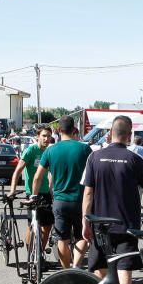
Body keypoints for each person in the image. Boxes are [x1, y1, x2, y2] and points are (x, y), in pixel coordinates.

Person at [82, 116, 143, 284]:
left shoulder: (94, 157)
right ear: (129, 135)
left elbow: (88, 193)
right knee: (124, 267)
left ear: (111, 133)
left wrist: (85, 221)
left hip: (100, 224)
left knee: (100, 265)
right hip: (126, 225)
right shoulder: (136, 160)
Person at [32, 115, 92, 269]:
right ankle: (76, 267)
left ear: (58, 131)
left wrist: (34, 195)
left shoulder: (51, 151)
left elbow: (38, 177)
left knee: (62, 239)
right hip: (81, 200)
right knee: (82, 236)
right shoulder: (84, 148)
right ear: (74, 130)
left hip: (60, 201)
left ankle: (66, 271)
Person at [9, 125, 55, 264]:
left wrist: (52, 189)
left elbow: (51, 172)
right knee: (32, 223)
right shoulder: (30, 151)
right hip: (32, 193)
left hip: (45, 192)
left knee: (47, 225)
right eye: (44, 136)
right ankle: (30, 254)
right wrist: (13, 190)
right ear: (37, 137)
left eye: (49, 136)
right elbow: (17, 171)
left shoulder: (50, 151)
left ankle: (39, 252)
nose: (47, 139)